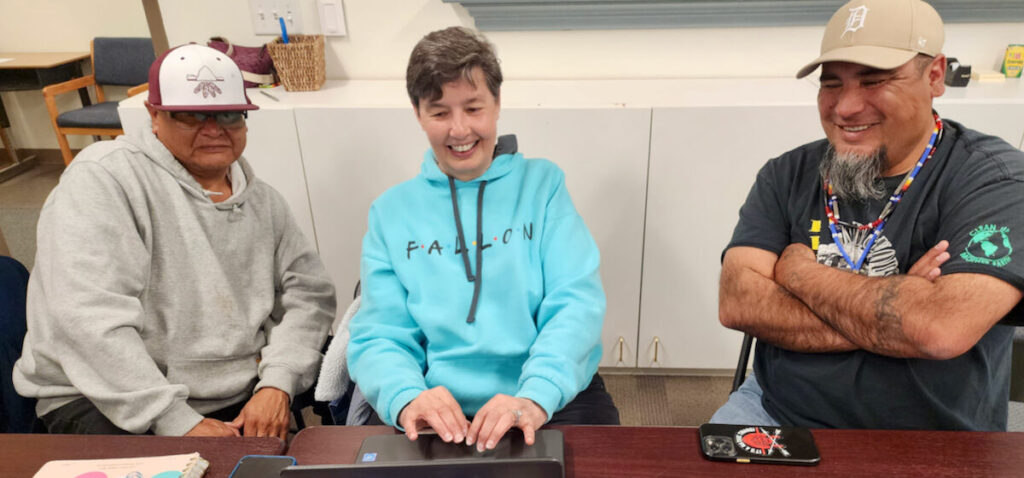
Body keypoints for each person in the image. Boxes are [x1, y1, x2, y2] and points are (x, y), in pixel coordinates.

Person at [714, 0, 1024, 431]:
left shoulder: (994, 181)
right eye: (832, 84)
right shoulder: (787, 173)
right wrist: (898, 312)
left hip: (931, 436)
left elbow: (939, 330)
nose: (844, 108)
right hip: (775, 411)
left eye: (874, 81)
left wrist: (800, 274)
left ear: (935, 75)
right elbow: (738, 303)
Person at [13, 44, 336, 438]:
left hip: (235, 391)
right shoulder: (103, 180)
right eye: (190, 114)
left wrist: (277, 383)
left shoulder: (263, 201)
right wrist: (176, 420)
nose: (214, 129)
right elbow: (88, 320)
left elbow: (309, 294)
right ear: (154, 115)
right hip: (106, 398)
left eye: (228, 115)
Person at [345, 26, 619, 451]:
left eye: (473, 108)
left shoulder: (543, 186)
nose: (459, 130)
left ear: (497, 105)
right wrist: (407, 397)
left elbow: (575, 304)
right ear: (418, 114)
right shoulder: (390, 212)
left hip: (547, 396)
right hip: (439, 407)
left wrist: (535, 395)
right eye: (439, 113)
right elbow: (380, 334)